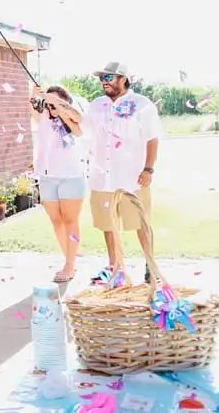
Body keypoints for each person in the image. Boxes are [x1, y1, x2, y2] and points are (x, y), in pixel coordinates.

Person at [84, 62, 163, 283]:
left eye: (109, 77)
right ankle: (116, 267)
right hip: (102, 178)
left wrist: (148, 168)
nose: (104, 82)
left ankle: (151, 265)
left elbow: (152, 138)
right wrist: (58, 107)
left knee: (141, 223)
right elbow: (81, 128)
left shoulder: (142, 105)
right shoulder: (97, 105)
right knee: (108, 225)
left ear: (123, 79)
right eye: (101, 78)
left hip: (133, 178)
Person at [31, 85, 86, 283]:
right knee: (56, 221)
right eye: (48, 102)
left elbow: (78, 124)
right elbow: (32, 107)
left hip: (71, 176)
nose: (50, 105)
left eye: (55, 101)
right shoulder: (43, 119)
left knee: (70, 220)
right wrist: (35, 94)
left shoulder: (72, 119)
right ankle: (70, 257)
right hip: (47, 177)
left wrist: (59, 107)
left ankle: (69, 266)